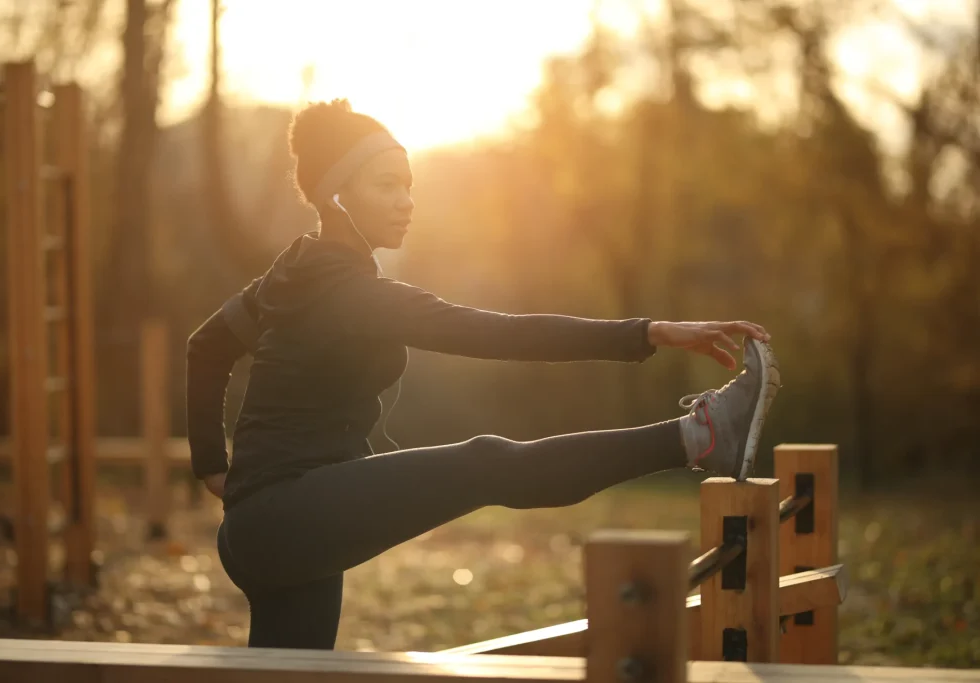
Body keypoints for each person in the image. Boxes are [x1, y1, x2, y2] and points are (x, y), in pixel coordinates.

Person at [185, 98, 780, 651]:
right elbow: (500, 332)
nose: (406, 201)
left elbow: (206, 347)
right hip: (287, 517)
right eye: (386, 185)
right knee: (485, 464)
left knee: (285, 672)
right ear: (337, 196)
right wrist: (646, 332)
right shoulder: (350, 295)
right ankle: (699, 436)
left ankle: (699, 437)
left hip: (276, 522)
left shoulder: (291, 275)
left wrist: (216, 466)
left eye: (410, 185)